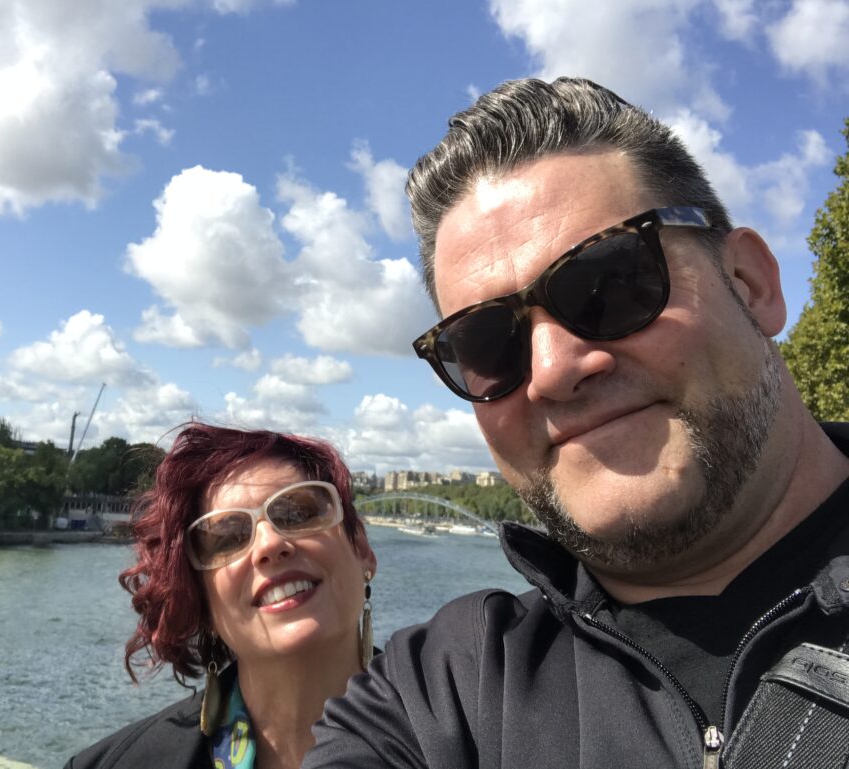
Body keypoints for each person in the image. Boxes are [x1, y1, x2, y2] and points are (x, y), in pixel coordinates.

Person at [304, 77, 849, 768]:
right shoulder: (430, 699)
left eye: (610, 281)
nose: (555, 368)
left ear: (752, 284)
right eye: (487, 343)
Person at [64, 422, 377, 769]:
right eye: (227, 537)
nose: (270, 544)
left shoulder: (446, 719)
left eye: (298, 513)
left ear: (361, 548)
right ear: (200, 600)